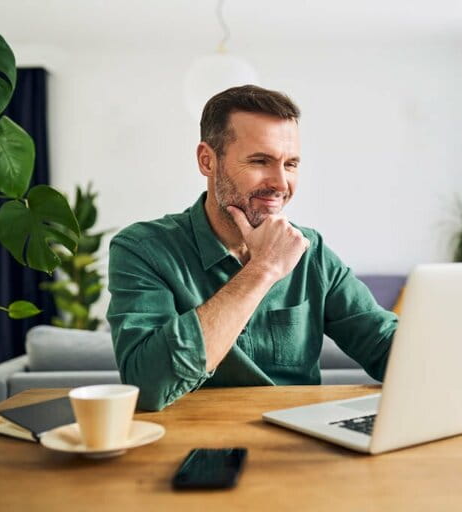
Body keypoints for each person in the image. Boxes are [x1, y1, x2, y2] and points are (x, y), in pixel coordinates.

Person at [107, 85, 397, 411]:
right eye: (261, 160)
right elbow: (147, 386)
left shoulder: (311, 251)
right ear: (207, 160)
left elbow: (384, 345)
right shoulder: (143, 249)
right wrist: (263, 270)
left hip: (297, 443)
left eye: (290, 164)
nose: (281, 183)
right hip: (192, 445)